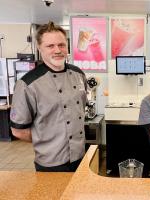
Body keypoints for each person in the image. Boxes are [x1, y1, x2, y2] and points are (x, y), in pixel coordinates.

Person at [10, 21, 88, 172]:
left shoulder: (79, 75)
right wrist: (46, 139)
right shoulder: (28, 84)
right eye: (50, 46)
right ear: (40, 48)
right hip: (50, 162)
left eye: (61, 45)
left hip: (80, 156)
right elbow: (18, 131)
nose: (57, 50)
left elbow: (80, 108)